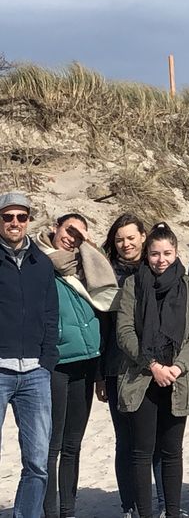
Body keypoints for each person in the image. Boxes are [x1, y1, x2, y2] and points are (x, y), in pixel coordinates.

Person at [115, 222, 189, 518]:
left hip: (177, 379)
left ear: (176, 252)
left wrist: (178, 368)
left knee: (172, 452)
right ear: (147, 253)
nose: (161, 260)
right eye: (155, 254)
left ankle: (172, 511)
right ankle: (145, 513)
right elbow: (125, 331)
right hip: (143, 378)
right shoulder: (133, 285)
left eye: (167, 253)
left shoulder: (188, 285)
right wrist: (152, 365)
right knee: (141, 452)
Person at [36, 212, 118, 518]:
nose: (72, 238)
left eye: (80, 236)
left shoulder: (87, 269)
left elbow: (104, 311)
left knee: (73, 444)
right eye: (69, 231)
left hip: (86, 363)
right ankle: (48, 511)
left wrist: (99, 374)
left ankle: (68, 510)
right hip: (55, 365)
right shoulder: (39, 262)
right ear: (56, 228)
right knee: (51, 445)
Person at [101, 213, 168, 518]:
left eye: (131, 237)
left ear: (143, 235)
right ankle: (131, 506)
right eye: (119, 239)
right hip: (119, 366)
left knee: (156, 439)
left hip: (156, 367)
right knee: (126, 440)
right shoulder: (106, 273)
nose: (126, 244)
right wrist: (101, 375)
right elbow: (103, 326)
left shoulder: (157, 267)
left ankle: (161, 504)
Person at [0, 191, 58, 518]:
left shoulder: (41, 262)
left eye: (21, 217)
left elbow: (52, 313)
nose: (14, 223)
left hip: (36, 373)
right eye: (8, 217)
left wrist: (46, 360)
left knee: (37, 462)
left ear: (28, 220)